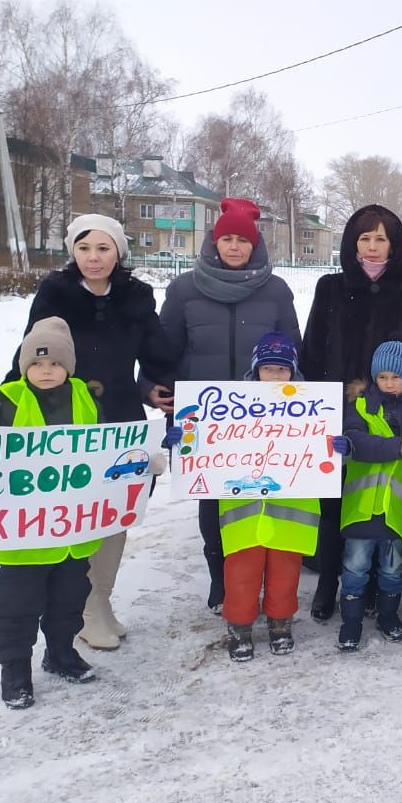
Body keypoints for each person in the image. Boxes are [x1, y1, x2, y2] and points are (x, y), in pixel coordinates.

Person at [0, 318, 165, 708]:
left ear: (68, 365)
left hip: (74, 535)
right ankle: (14, 668)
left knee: (69, 599)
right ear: (24, 366)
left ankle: (60, 652)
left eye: (54, 363)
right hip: (24, 539)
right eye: (36, 364)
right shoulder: (6, 402)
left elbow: (105, 457)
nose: (45, 371)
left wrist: (143, 464)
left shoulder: (86, 398)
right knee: (15, 607)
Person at [3, 213, 175, 651]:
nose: (93, 258)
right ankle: (83, 609)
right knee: (80, 515)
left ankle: (100, 600)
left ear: (119, 251)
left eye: (102, 248)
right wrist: (4, 410)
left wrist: (155, 387)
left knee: (116, 512)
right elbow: (31, 357)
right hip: (70, 420)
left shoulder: (136, 296)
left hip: (120, 419)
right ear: (72, 252)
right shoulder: (55, 293)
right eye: (84, 249)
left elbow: (155, 355)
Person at [152, 197, 299, 619]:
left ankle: (269, 584)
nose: (234, 247)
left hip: (267, 420)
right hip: (208, 420)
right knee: (214, 502)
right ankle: (221, 579)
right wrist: (152, 388)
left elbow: (295, 349)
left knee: (262, 498)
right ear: (213, 243)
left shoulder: (275, 291)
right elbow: (164, 352)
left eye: (243, 240)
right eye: (227, 239)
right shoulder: (184, 290)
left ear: (256, 246)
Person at [298, 205, 402, 623]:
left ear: (394, 245)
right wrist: (319, 406)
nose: (372, 247)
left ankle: (377, 586)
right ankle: (328, 583)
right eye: (364, 238)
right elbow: (312, 350)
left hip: (392, 416)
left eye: (381, 238)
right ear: (351, 243)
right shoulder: (330, 287)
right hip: (338, 414)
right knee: (334, 502)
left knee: (379, 504)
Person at [213, 332, 322, 662]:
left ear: (293, 372)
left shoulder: (311, 410)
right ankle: (240, 627)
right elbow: (208, 445)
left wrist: (337, 449)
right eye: (268, 369)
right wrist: (187, 437)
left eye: (282, 369)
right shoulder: (231, 409)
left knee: (285, 575)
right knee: (241, 575)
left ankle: (280, 624)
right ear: (255, 371)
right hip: (243, 514)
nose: (275, 376)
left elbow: (322, 455)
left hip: (290, 513)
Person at [336, 341, 402, 650]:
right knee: (354, 569)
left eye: (396, 377)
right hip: (362, 510)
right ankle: (351, 622)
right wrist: (395, 447)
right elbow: (356, 442)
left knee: (392, 570)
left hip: (398, 512)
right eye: (382, 377)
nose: (389, 383)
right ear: (374, 378)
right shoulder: (361, 406)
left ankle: (388, 616)